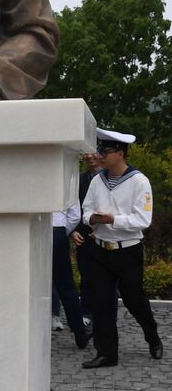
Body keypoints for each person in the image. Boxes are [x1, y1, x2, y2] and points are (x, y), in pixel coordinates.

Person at [81, 129, 163, 369]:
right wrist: (92, 219)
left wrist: (113, 220)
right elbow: (85, 209)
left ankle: (152, 335)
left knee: (134, 299)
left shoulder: (139, 181)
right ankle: (106, 354)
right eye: (99, 151)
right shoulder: (98, 180)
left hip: (127, 251)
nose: (100, 156)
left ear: (120, 153)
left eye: (104, 151)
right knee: (101, 302)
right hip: (99, 250)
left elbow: (143, 220)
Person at [52, 203, 92, 349]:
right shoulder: (66, 179)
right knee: (66, 286)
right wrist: (63, 231)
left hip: (30, 228)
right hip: (57, 231)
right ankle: (80, 333)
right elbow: (75, 216)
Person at [71, 151, 103, 326]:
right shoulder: (79, 179)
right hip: (84, 236)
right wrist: (73, 231)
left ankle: (104, 313)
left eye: (94, 152)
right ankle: (86, 312)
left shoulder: (112, 178)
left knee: (107, 278)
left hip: (107, 235)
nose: (90, 156)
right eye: (86, 153)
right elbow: (71, 207)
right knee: (86, 277)